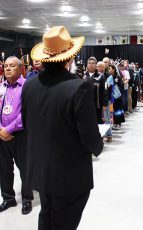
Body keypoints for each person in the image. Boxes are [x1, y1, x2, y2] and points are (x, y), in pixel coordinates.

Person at [25, 26, 103, 230]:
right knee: (63, 223)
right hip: (69, 173)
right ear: (69, 58)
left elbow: (28, 124)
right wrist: (98, 146)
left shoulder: (30, 85)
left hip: (41, 170)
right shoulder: (78, 87)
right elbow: (88, 134)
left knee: (47, 217)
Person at [0, 56, 33, 215]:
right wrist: (0, 129)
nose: (7, 68)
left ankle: (27, 198)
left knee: (25, 168)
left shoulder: (27, 86)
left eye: (11, 66)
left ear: (20, 69)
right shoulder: (0, 88)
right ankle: (8, 198)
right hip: (1, 135)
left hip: (21, 135)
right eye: (5, 66)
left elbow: (27, 113)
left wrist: (9, 129)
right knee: (4, 168)